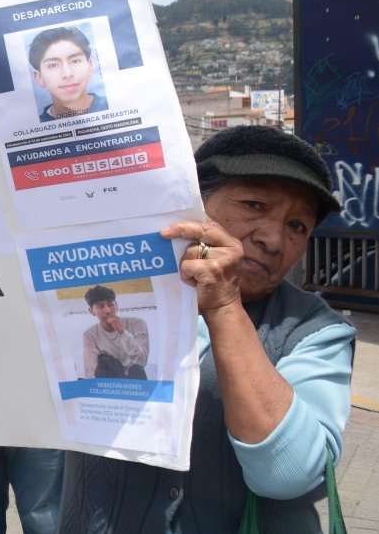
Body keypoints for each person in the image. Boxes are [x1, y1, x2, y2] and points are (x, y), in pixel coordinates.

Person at [59, 124, 356, 531]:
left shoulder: (316, 330)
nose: (273, 238)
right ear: (193, 201)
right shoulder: (107, 296)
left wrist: (224, 306)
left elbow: (289, 475)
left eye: (297, 226)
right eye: (254, 204)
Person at [28, 26, 108, 123]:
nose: (67, 74)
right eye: (53, 65)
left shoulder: (116, 106)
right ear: (39, 77)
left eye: (75, 61)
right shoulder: (33, 127)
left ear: (90, 67)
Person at [81, 285, 149, 379]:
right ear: (91, 311)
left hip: (135, 382)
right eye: (101, 306)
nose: (107, 310)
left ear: (116, 305)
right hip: (111, 383)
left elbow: (142, 362)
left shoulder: (137, 324)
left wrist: (122, 331)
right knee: (103, 365)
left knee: (136, 369)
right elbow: (91, 372)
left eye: (110, 304)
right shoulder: (89, 335)